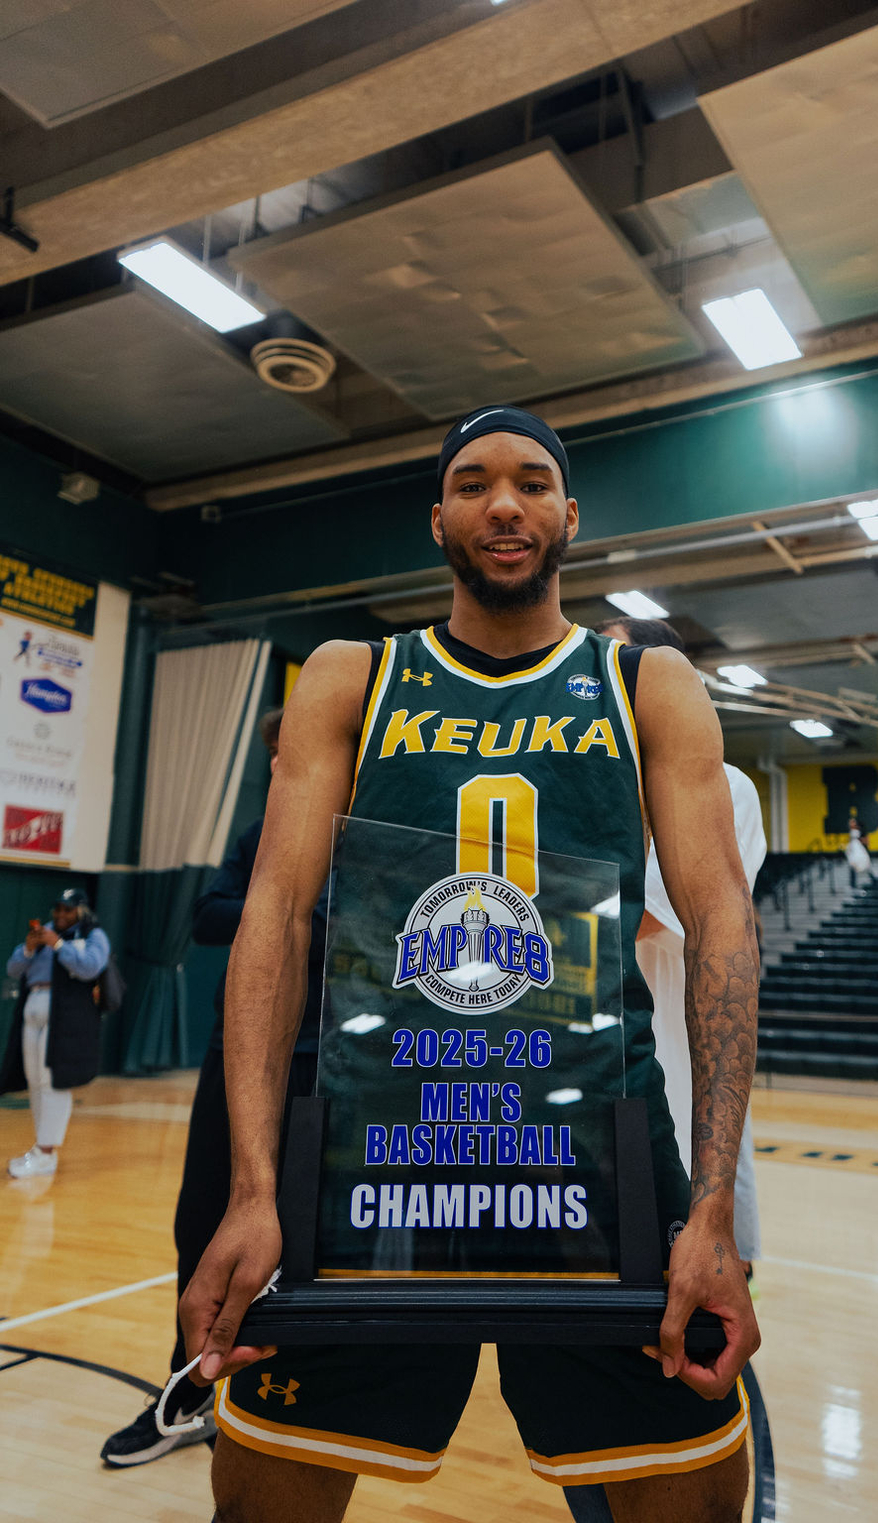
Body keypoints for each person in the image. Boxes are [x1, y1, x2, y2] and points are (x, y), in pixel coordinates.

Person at [181, 404, 761, 1523]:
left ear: (568, 515)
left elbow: (723, 932)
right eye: (475, 482)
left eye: (534, 481)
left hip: (606, 1171)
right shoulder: (355, 677)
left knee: (692, 1500)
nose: (505, 501)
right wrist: (252, 1188)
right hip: (369, 1163)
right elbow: (276, 916)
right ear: (437, 516)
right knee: (263, 1498)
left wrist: (713, 1209)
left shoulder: (647, 684)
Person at [101, 708, 329, 1467]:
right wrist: (283, 909)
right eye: (269, 751)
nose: (276, 762)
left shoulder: (357, 829)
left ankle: (288, 1398)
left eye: (285, 748)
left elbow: (356, 924)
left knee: (309, 1241)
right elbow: (207, 916)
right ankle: (187, 1387)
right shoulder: (257, 834)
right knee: (200, 1220)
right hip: (235, 1054)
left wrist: (300, 913)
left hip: (326, 1063)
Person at [597, 615, 765, 1272]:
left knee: (704, 1255)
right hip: (595, 1065)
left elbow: (647, 918)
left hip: (679, 1053)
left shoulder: (725, 784)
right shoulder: (591, 781)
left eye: (617, 663)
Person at [2, 887, 110, 1177]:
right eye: (58, 908)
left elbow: (90, 967)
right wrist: (28, 949)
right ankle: (41, 1148)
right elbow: (13, 969)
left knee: (54, 1080)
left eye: (68, 909)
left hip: (66, 1012)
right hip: (34, 1004)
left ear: (81, 911)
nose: (61, 914)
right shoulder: (44, 932)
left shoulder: (92, 935)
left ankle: (47, 1150)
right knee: (35, 1079)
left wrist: (59, 946)